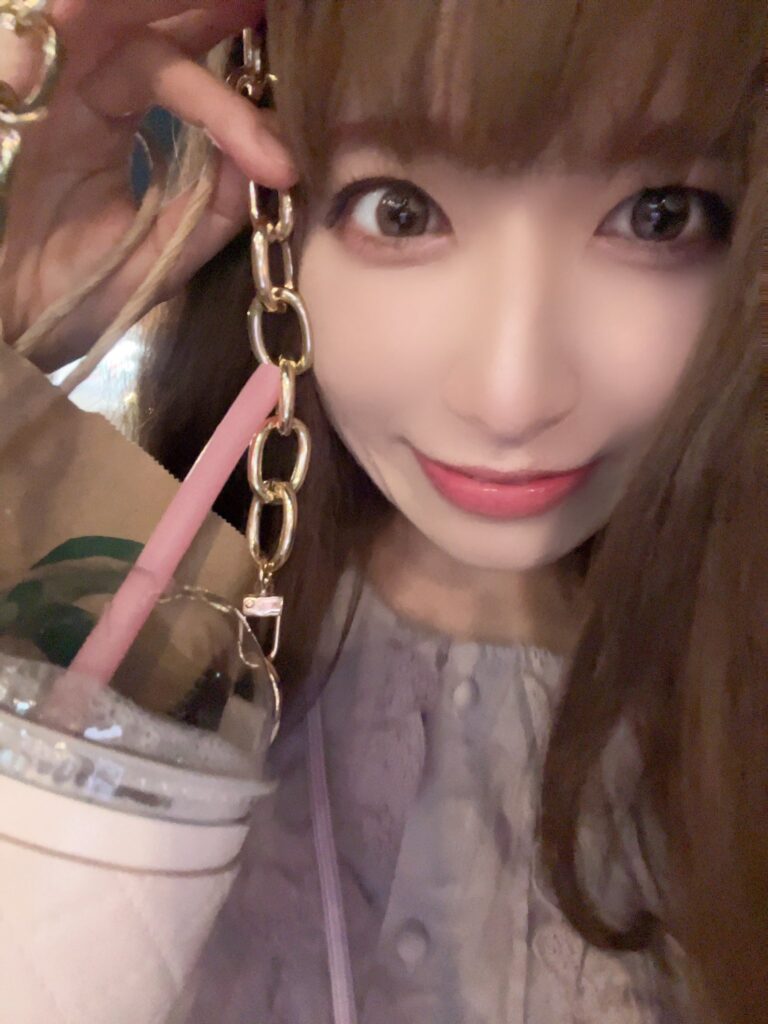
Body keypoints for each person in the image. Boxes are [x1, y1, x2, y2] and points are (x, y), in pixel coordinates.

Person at [1, 2, 764, 1022]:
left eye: (657, 215)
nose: (510, 396)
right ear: (279, 226)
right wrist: (15, 319)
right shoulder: (111, 596)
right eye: (400, 211)